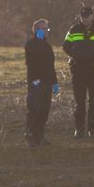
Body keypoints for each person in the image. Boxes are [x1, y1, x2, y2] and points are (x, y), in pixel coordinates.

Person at [63, 5, 94, 138]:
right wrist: (76, 56)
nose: (84, 19)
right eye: (82, 17)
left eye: (87, 17)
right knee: (80, 101)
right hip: (78, 69)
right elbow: (65, 45)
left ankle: (92, 129)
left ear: (92, 16)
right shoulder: (74, 29)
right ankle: (79, 129)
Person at [24, 18, 58, 147]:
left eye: (47, 28)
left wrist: (55, 82)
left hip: (48, 83)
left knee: (44, 110)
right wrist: (36, 82)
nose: (47, 30)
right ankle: (30, 135)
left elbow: (51, 66)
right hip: (36, 82)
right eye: (44, 28)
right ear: (37, 30)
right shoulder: (31, 45)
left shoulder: (47, 46)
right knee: (34, 109)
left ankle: (40, 136)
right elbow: (32, 63)